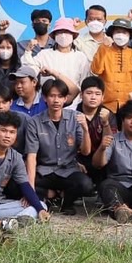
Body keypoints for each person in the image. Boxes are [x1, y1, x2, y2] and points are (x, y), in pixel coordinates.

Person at [32, 78, 95, 213]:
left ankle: (66, 203)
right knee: (19, 184)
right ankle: (51, 195)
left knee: (86, 185)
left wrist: (85, 129)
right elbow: (32, 156)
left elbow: (86, 152)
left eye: (60, 96)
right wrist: (30, 186)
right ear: (44, 98)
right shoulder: (35, 122)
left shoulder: (76, 117)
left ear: (66, 98)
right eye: (52, 96)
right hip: (44, 171)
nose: (56, 100)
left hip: (68, 170)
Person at [89, 17, 132, 112]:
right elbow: (96, 70)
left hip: (129, 103)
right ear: (112, 34)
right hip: (106, 103)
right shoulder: (104, 50)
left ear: (129, 35)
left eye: (124, 33)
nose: (120, 35)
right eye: (117, 32)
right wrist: (103, 47)